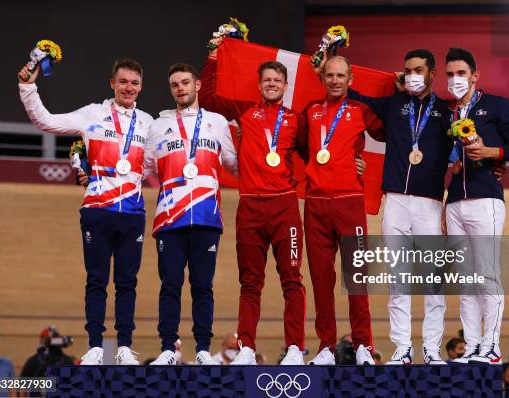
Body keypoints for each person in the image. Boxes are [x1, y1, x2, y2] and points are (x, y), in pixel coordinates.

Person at [18, 59, 153, 366]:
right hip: (96, 210)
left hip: (132, 212)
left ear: (141, 87)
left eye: (134, 82)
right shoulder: (92, 113)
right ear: (112, 83)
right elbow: (46, 121)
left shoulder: (148, 122)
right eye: (123, 82)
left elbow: (155, 163)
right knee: (96, 281)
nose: (128, 87)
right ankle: (94, 346)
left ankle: (124, 348)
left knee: (127, 283)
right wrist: (28, 87)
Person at [199, 38, 307, 365]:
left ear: (285, 86)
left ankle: (294, 349)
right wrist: (214, 56)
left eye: (277, 80)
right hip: (250, 209)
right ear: (259, 85)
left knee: (292, 279)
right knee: (250, 282)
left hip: (285, 207)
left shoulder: (295, 120)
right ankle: (246, 347)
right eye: (267, 80)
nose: (272, 84)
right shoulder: (244, 111)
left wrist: (353, 163)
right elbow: (208, 98)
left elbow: (315, 156)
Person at [344, 49, 453, 365]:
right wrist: (328, 63)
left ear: (432, 72)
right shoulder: (393, 105)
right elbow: (351, 94)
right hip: (395, 201)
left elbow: (460, 150)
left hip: (429, 203)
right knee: (398, 277)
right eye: (407, 70)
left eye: (419, 69)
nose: (412, 75)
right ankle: (402, 347)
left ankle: (431, 348)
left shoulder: (446, 112)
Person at [145, 63, 238, 366]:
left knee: (202, 286)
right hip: (170, 218)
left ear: (197, 85)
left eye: (185, 82)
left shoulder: (217, 122)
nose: (181, 88)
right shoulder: (157, 126)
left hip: (206, 215)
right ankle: (168, 350)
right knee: (170, 285)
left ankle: (201, 350)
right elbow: (141, 168)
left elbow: (234, 164)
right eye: (175, 85)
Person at [443, 47, 509, 365]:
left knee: (487, 275)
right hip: (455, 203)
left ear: (475, 76)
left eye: (461, 73)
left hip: (486, 200)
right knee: (465, 279)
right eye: (450, 74)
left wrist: (491, 154)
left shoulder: (495, 105)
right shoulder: (447, 113)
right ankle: (473, 345)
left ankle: (491, 345)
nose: (455, 79)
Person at [304, 55, 383, 366]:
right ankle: (325, 347)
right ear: (323, 78)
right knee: (321, 279)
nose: (335, 80)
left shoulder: (360, 110)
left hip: (350, 202)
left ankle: (363, 343)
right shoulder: (310, 112)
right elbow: (299, 146)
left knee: (357, 278)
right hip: (316, 204)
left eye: (341, 76)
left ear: (351, 80)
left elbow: (390, 133)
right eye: (330, 75)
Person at [20, 326, 75, 397]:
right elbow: (22, 385)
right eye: (46, 338)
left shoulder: (68, 361)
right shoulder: (33, 360)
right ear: (41, 340)